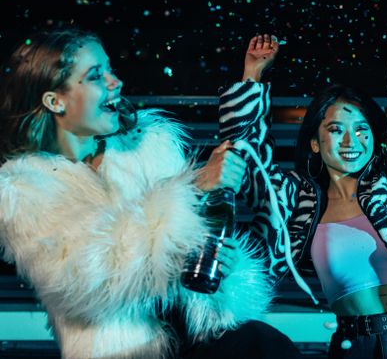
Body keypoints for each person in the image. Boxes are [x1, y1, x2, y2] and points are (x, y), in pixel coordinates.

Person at [0, 28, 301, 359]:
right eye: (97, 76)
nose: (116, 82)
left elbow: (195, 238)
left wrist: (222, 262)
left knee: (265, 343)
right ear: (55, 100)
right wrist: (191, 189)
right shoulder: (21, 188)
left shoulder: (149, 145)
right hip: (126, 351)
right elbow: (88, 279)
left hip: (202, 334)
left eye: (111, 69)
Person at [217, 0, 387, 359]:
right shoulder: (297, 199)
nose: (351, 141)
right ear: (314, 141)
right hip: (350, 344)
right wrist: (252, 76)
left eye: (362, 130)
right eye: (335, 129)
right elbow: (245, 165)